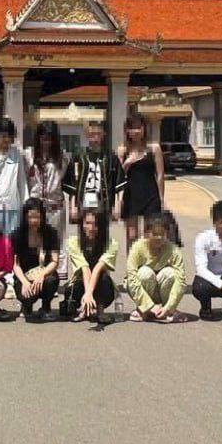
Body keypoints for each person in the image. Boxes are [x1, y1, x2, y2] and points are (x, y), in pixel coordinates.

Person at [125, 212, 187, 323]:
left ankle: (167, 311)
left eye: (162, 234)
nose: (159, 238)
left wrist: (169, 306)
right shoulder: (137, 248)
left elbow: (181, 281)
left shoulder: (174, 250)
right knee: (145, 272)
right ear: (146, 233)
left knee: (170, 273)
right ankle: (144, 309)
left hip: (162, 292)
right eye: (154, 233)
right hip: (144, 289)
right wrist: (149, 306)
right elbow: (131, 278)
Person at [62, 120, 124, 224]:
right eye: (92, 134)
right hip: (83, 202)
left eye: (98, 134)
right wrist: (72, 206)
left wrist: (117, 205)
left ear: (103, 135)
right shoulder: (79, 156)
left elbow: (118, 183)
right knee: (84, 231)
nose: (95, 138)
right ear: (87, 135)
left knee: (102, 231)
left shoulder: (110, 157)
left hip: (103, 203)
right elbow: (72, 183)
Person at [63, 208, 119, 324]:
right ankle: (85, 309)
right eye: (88, 223)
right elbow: (85, 268)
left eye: (95, 224)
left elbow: (98, 268)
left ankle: (100, 310)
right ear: (82, 224)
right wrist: (87, 294)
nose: (91, 228)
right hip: (81, 282)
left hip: (101, 283)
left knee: (104, 279)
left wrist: (89, 293)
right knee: (72, 289)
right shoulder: (73, 242)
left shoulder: (111, 243)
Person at [26, 120, 66, 277]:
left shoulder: (62, 157)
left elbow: (66, 181)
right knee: (36, 240)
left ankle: (57, 275)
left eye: (50, 138)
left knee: (56, 241)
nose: (46, 142)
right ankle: (34, 273)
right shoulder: (29, 155)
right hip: (36, 207)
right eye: (43, 138)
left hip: (54, 206)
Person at [11, 199, 60, 321]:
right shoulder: (17, 235)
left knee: (51, 280)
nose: (34, 221)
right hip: (24, 275)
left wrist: (41, 275)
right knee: (26, 294)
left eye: (37, 217)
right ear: (25, 217)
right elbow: (15, 265)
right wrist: (25, 282)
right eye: (30, 217)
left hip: (44, 274)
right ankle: (26, 306)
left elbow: (54, 261)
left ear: (42, 217)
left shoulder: (51, 233)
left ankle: (45, 307)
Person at [119, 114, 164, 243]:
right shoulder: (123, 150)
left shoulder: (154, 148)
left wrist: (161, 198)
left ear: (144, 128)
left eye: (139, 127)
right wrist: (127, 163)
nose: (135, 131)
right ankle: (132, 257)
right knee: (132, 236)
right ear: (127, 130)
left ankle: (148, 257)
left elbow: (160, 174)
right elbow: (118, 177)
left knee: (150, 235)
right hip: (131, 194)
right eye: (132, 128)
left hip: (151, 194)